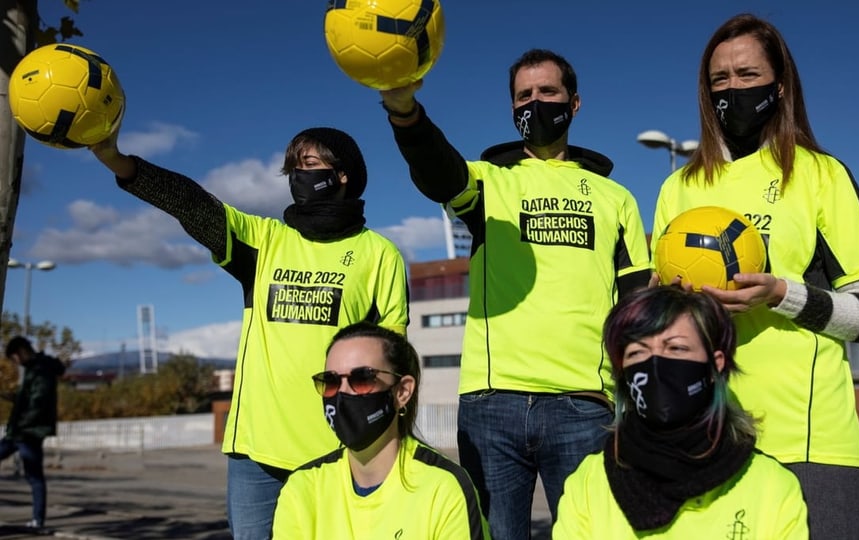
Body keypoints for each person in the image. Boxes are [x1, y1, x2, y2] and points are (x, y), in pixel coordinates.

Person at [379, 48, 652, 538]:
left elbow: (637, 307)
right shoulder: (489, 182)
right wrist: (405, 114)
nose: (535, 103)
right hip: (491, 405)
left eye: (547, 92)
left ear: (574, 103)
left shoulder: (617, 199)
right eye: (523, 95)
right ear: (511, 110)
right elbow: (438, 171)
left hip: (584, 405)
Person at [89, 125, 409, 539]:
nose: (298, 174)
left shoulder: (379, 254)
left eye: (309, 164)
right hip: (255, 456)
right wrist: (118, 161)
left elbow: (392, 358)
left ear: (343, 174)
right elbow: (192, 205)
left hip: (341, 450)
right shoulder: (264, 240)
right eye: (292, 167)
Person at [650, 13, 859, 539]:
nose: (732, 90)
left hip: (809, 439)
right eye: (719, 79)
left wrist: (781, 293)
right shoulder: (680, 188)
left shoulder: (820, 175)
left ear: (779, 86)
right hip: (706, 438)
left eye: (747, 76)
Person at [553, 287, 808, 538]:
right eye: (637, 352)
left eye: (675, 348)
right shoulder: (590, 483)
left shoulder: (771, 488)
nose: (656, 364)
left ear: (714, 365)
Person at [273, 322, 489, 539]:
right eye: (331, 381)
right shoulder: (301, 489)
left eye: (363, 379)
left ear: (402, 392)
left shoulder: (444, 488)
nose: (343, 394)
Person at [1, 336, 68, 531]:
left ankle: (38, 520)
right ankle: (37, 519)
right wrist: (11, 396)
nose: (16, 363)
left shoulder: (41, 370)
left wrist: (22, 424)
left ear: (21, 351)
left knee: (34, 476)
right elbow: (29, 399)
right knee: (34, 476)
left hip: (28, 433)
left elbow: (38, 402)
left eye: (14, 358)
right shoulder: (34, 369)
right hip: (19, 432)